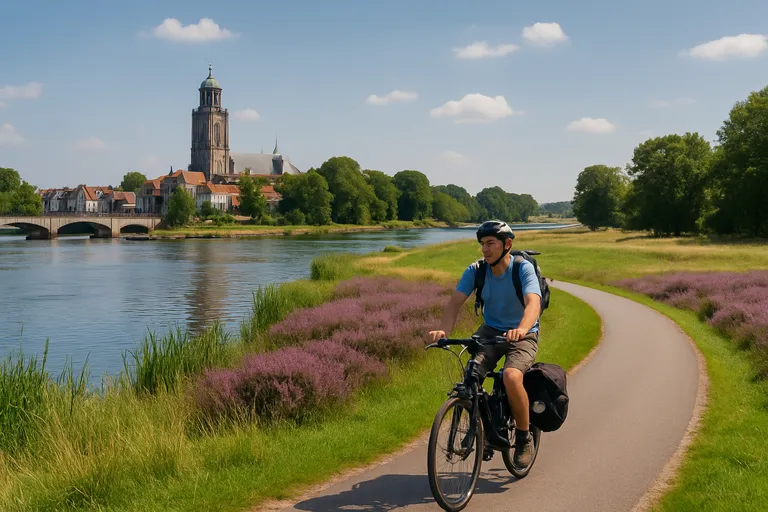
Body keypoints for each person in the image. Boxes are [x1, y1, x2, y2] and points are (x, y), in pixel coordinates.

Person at [426, 220, 542, 468]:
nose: (485, 249)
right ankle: (487, 425)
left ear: (507, 244)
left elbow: (533, 303)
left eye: (490, 243)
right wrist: (443, 330)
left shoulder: (522, 269)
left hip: (523, 333)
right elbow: (455, 302)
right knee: (471, 375)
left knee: (511, 376)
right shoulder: (476, 270)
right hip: (491, 331)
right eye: (482, 244)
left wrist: (521, 329)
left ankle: (523, 437)